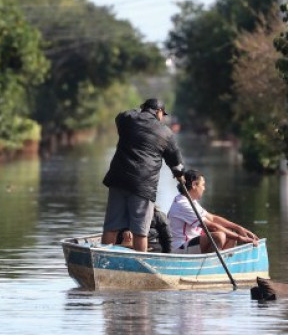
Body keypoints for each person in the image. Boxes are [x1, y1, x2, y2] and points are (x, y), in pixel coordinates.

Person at [101, 98, 184, 252]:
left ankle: (102, 258)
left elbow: (121, 115)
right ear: (159, 112)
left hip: (118, 180)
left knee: (111, 227)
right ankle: (139, 262)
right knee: (140, 231)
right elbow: (176, 163)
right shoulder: (165, 132)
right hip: (143, 185)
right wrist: (179, 175)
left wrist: (141, 110)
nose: (162, 118)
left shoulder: (128, 120)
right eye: (162, 114)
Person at [168, 169, 259, 253]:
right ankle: (212, 262)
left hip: (193, 243)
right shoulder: (182, 204)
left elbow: (213, 218)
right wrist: (240, 238)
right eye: (203, 185)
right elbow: (212, 227)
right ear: (194, 185)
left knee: (231, 235)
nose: (204, 188)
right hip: (180, 248)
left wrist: (238, 228)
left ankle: (221, 261)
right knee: (219, 236)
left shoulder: (191, 201)